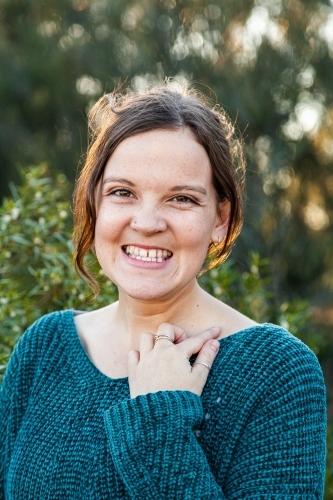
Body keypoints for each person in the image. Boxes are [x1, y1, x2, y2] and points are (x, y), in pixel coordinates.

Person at [0, 85, 326, 499]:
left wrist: (160, 426)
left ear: (220, 221)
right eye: (123, 192)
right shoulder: (44, 350)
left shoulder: (277, 372)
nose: (148, 222)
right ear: (95, 203)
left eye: (182, 199)